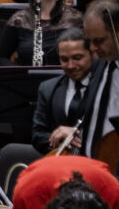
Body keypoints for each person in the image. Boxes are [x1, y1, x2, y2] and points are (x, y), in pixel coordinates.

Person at [30, 28, 105, 156]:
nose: (70, 65)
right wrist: (59, 138)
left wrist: (78, 136)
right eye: (64, 59)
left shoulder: (105, 86)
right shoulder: (47, 89)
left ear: (92, 54)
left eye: (77, 58)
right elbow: (37, 136)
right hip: (61, 166)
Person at [0, 0, 82, 66]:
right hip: (27, 80)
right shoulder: (19, 20)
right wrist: (22, 73)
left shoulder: (76, 20)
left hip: (65, 79)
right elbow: (0, 58)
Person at [82, 0, 119, 165]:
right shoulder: (98, 64)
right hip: (91, 169)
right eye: (89, 41)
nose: (92, 48)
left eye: (98, 41)